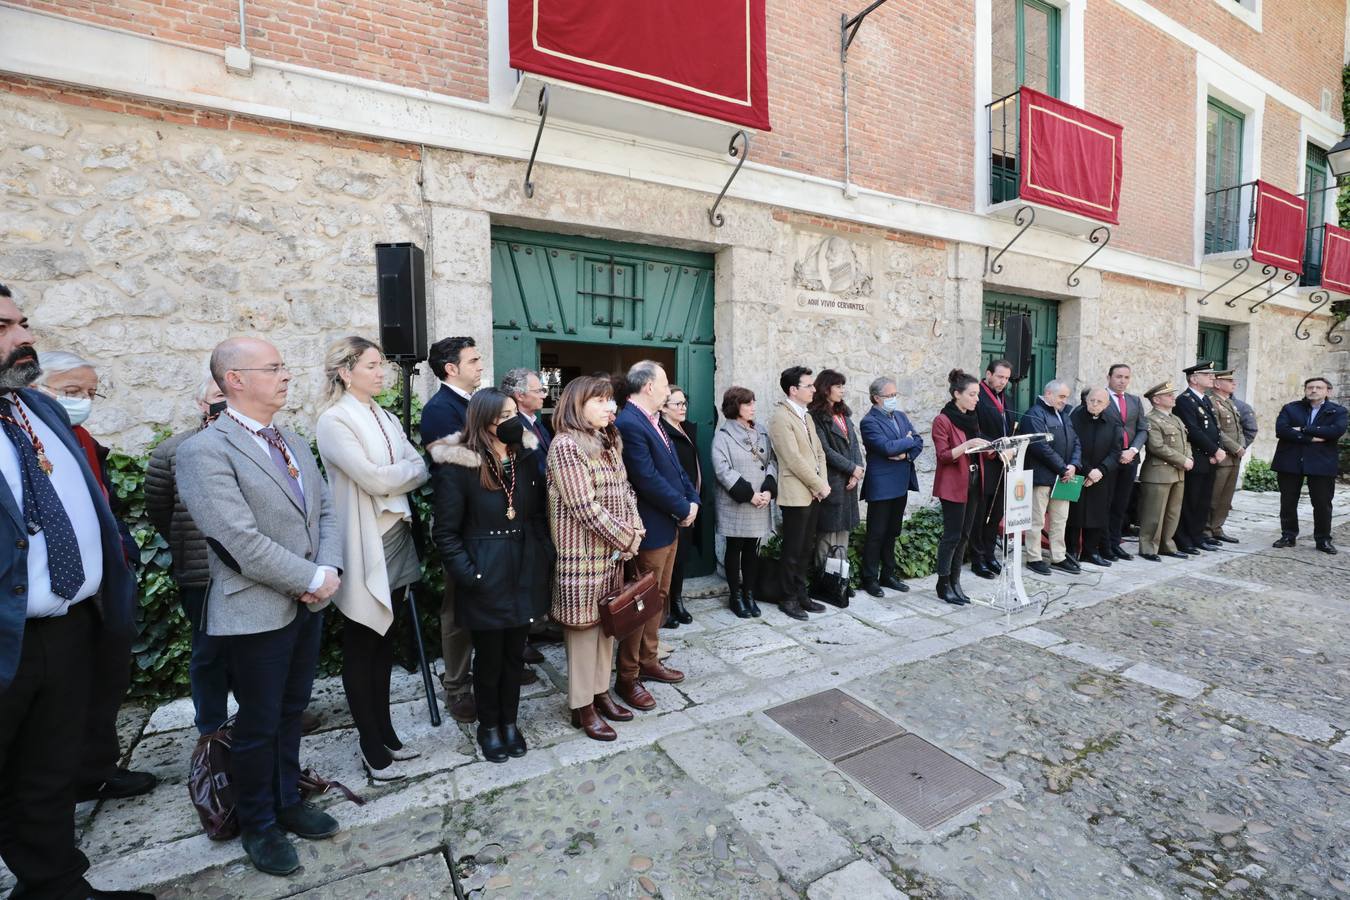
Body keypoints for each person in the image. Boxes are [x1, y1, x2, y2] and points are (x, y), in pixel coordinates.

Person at [0, 287, 148, 900]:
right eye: (4, 325)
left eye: (22, 322)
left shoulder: (39, 410)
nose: (22, 336)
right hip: (7, 635)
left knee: (48, 771)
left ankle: (55, 886)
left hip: (67, 626)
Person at [177, 337, 343, 877]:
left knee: (292, 711)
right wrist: (308, 578)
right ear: (235, 379)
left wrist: (331, 569)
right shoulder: (206, 450)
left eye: (284, 366)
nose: (287, 375)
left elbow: (326, 515)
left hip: (308, 602)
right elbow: (237, 540)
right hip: (255, 607)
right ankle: (257, 824)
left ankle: (288, 800)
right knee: (257, 722)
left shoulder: (291, 440)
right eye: (274, 367)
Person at [32, 351, 158, 803]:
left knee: (105, 679)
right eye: (71, 392)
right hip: (49, 594)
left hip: (102, 580)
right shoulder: (25, 442)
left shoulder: (81, 438)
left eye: (89, 393)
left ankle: (96, 769)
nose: (83, 401)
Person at [315, 337, 429, 780]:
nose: (382, 373)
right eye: (373, 365)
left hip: (396, 532)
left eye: (382, 364)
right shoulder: (334, 420)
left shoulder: (381, 414)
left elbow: (415, 465)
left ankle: (384, 731)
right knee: (363, 644)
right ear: (346, 371)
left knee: (386, 641)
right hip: (364, 538)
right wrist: (400, 476)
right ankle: (369, 743)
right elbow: (374, 479)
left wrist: (396, 476)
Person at [429, 389, 552, 762]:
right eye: (504, 416)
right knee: (489, 657)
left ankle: (510, 723)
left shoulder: (525, 459)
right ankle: (489, 726)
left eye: (516, 413)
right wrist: (471, 576)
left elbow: (537, 514)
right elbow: (445, 532)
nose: (513, 421)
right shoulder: (460, 465)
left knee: (515, 654)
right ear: (483, 421)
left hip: (523, 568)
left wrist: (542, 556)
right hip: (485, 570)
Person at [547, 376, 644, 742]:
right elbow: (584, 508)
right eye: (601, 401)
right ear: (577, 404)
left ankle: (601, 693)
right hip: (582, 559)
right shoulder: (566, 446)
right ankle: (582, 706)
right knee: (584, 634)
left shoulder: (606, 441)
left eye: (610, 401)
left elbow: (624, 489)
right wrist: (627, 537)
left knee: (607, 627)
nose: (611, 407)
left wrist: (635, 528)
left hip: (612, 556)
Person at [146, 375, 229, 737]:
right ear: (201, 403)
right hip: (201, 571)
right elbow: (160, 510)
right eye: (218, 396)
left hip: (257, 570)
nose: (225, 402)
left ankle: (271, 714)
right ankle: (212, 727)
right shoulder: (172, 452)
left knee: (260, 651)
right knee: (209, 653)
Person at [614, 361, 693, 708]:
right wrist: (681, 506)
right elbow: (645, 478)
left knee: (657, 598)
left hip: (669, 524)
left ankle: (649, 660)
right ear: (647, 386)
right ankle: (627, 677)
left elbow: (676, 469)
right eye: (663, 384)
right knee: (640, 602)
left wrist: (692, 500)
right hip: (649, 527)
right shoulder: (630, 423)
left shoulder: (654, 419)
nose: (668, 390)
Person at [418, 335, 482, 723]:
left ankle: (490, 666)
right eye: (473, 360)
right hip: (460, 523)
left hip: (487, 519)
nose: (480, 365)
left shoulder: (475, 403)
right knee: (458, 607)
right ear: (451, 369)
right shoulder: (440, 409)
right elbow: (458, 466)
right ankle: (457, 685)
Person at [500, 367, 553, 672]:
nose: (544, 394)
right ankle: (519, 644)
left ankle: (532, 629)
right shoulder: (513, 427)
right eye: (539, 390)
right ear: (520, 395)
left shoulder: (538, 424)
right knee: (523, 575)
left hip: (539, 510)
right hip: (524, 512)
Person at [768, 366, 829, 620]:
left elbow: (819, 453)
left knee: (806, 547)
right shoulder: (781, 418)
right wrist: (818, 484)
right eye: (809, 385)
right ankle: (788, 597)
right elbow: (791, 458)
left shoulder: (807, 416)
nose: (814, 389)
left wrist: (821, 484)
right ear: (793, 390)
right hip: (796, 492)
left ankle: (801, 593)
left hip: (814, 491)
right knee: (793, 549)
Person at [711, 386, 775, 618]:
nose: (753, 407)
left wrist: (768, 489)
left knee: (752, 549)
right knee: (735, 547)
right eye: (748, 403)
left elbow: (771, 462)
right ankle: (735, 596)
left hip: (760, 500)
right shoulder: (723, 436)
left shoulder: (762, 431)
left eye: (754, 402)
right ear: (735, 407)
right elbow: (722, 470)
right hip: (736, 502)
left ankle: (749, 594)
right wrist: (749, 494)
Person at [858, 376, 921, 596]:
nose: (894, 399)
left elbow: (919, 441)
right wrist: (907, 441)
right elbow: (885, 447)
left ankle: (888, 574)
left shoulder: (901, 417)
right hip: (882, 484)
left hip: (901, 482)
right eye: (890, 396)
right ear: (876, 398)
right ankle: (870, 578)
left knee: (892, 531)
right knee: (876, 533)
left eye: (895, 395)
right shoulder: (869, 422)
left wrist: (905, 453)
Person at [931, 370, 990, 604]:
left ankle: (956, 581)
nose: (977, 399)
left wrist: (996, 448)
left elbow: (978, 450)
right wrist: (968, 444)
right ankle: (943, 583)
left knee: (965, 535)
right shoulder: (942, 420)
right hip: (953, 485)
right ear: (957, 394)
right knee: (952, 536)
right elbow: (944, 456)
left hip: (974, 483)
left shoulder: (972, 418)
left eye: (978, 395)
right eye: (973, 394)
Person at [1272, 376, 1348, 554]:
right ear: (1305, 390)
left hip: (1322, 463)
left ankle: (1323, 539)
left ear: (1328, 391)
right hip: (1290, 461)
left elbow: (1335, 431)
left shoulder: (1338, 411)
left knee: (1322, 503)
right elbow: (1281, 430)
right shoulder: (1291, 408)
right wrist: (1311, 438)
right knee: (1288, 501)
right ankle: (1288, 535)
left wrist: (1303, 429)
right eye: (1310, 387)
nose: (1313, 390)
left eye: (1318, 388)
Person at [808, 369, 863, 603]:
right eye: (838, 386)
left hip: (849, 483)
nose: (842, 390)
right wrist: (851, 468)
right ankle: (824, 582)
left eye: (843, 386)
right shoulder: (816, 415)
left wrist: (857, 470)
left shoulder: (843, 414)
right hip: (832, 482)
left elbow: (855, 444)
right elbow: (825, 450)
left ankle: (840, 579)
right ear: (826, 388)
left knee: (843, 535)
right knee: (827, 536)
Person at [1020, 379, 1081, 575]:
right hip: (1042, 476)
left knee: (1059, 519)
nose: (1065, 401)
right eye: (1061, 396)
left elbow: (1076, 441)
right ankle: (1034, 557)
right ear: (1048, 394)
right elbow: (1039, 446)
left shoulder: (1064, 414)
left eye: (1066, 397)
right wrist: (1063, 468)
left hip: (1064, 477)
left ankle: (1058, 556)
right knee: (1036, 519)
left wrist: (1074, 465)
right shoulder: (1034, 414)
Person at [1067, 388, 1124, 568]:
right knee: (1072, 515)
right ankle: (1071, 551)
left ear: (1107, 404)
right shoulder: (1074, 418)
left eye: (1099, 402)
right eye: (1092, 400)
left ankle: (1090, 551)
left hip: (1101, 477)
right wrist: (1087, 470)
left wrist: (1100, 470)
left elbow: (1116, 451)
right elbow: (1071, 445)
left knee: (1097, 514)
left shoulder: (1113, 422)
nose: (1094, 404)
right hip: (1077, 473)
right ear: (1086, 400)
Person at [1172, 361, 1225, 554]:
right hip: (1195, 458)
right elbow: (1193, 431)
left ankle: (1197, 536)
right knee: (1190, 501)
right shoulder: (1185, 400)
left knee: (1203, 500)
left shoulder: (1205, 399)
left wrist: (1215, 451)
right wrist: (1214, 450)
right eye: (1207, 374)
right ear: (1194, 379)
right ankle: (1184, 539)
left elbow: (1215, 430)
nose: (1212, 377)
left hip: (1209, 458)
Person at [660, 385, 701, 627]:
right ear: (664, 408)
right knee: (668, 560)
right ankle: (665, 608)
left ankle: (677, 600)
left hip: (690, 501)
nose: (683, 407)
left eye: (684, 403)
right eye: (677, 404)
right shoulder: (662, 431)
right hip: (673, 504)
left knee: (682, 556)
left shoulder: (685, 429)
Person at [1137, 382, 1192, 561]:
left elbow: (1186, 442)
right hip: (1158, 474)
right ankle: (1148, 548)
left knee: (1172, 512)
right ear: (1157, 399)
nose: (1173, 397)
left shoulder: (1175, 419)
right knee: (1154, 514)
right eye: (1168, 395)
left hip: (1177, 472)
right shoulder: (1151, 419)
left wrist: (1189, 458)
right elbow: (1156, 447)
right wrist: (1182, 460)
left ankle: (1166, 545)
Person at [970, 359, 1014, 577]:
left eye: (1006, 378)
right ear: (988, 374)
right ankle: (977, 559)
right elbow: (974, 430)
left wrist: (1012, 446)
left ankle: (989, 554)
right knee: (981, 514)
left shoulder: (1007, 398)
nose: (1003, 381)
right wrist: (996, 449)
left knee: (996, 514)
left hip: (1003, 465)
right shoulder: (977, 397)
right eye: (999, 376)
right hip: (985, 464)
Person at [1102, 363, 1147, 561]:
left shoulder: (1135, 401)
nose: (1122, 381)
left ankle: (1115, 542)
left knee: (1121, 504)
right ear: (1109, 377)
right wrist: (1116, 452)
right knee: (1106, 503)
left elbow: (1143, 429)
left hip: (1130, 459)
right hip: (1108, 460)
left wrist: (1133, 450)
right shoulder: (1100, 398)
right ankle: (1102, 545)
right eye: (1118, 376)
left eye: (1126, 377)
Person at [1205, 369, 1248, 544]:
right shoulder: (1212, 402)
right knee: (1214, 495)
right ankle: (1206, 529)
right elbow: (1216, 430)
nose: (1234, 383)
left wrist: (1242, 446)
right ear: (1217, 384)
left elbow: (1239, 428)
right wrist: (1235, 447)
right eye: (1229, 380)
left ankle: (1217, 527)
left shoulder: (1230, 403)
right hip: (1222, 455)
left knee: (1226, 497)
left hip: (1234, 457)